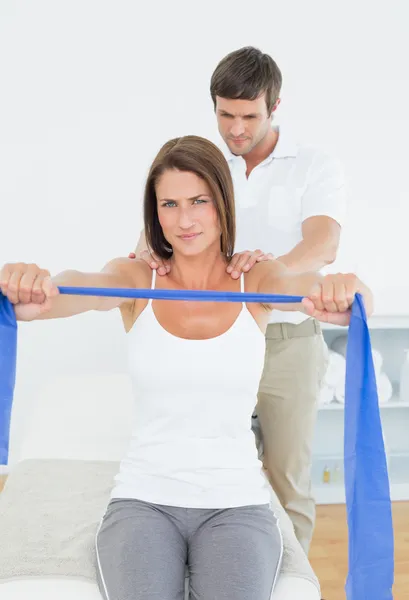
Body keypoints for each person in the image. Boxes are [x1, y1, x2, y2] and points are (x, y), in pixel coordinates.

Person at [0, 136, 371, 600]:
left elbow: (310, 287)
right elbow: (77, 286)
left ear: (222, 202)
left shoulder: (255, 279)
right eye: (169, 204)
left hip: (236, 504)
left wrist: (343, 289)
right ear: (154, 213)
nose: (185, 219)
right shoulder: (137, 278)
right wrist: (35, 287)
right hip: (144, 501)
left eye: (199, 201)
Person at [131, 47, 346, 554]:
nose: (235, 128)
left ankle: (294, 583)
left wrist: (268, 277)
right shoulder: (205, 161)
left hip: (286, 339)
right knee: (211, 474)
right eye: (225, 114)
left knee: (288, 478)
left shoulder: (313, 165)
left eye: (249, 116)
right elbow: (160, 228)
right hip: (212, 336)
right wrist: (147, 253)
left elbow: (325, 243)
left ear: (275, 106)